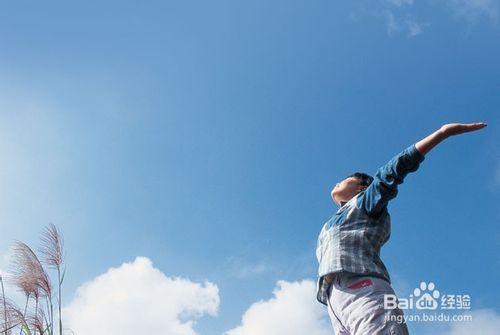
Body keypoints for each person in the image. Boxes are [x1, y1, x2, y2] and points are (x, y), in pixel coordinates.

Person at [316, 122, 487, 335]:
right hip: (335, 303)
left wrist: (442, 134)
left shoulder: (364, 203)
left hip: (363, 290)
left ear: (362, 187)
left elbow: (392, 171)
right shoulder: (331, 224)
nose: (337, 182)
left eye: (345, 179)